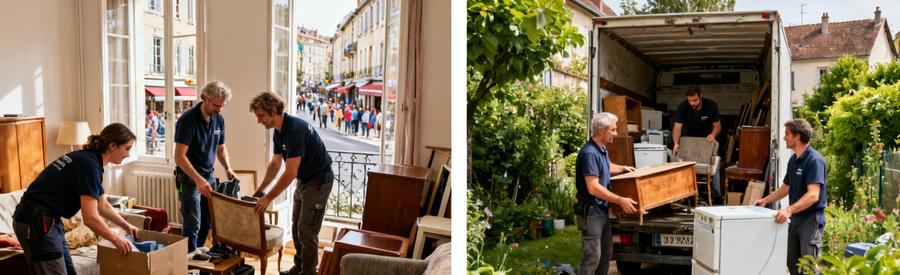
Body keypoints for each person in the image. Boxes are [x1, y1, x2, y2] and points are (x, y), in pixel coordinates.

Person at [13, 123, 140, 274]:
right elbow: (90, 218)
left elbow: (103, 205)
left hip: (47, 219)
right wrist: (116, 239)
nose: (128, 155)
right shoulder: (90, 166)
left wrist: (126, 226)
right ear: (112, 145)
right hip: (35, 221)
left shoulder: (88, 160)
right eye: (127, 149)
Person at [248, 92, 334, 275]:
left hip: (319, 181)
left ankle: (309, 272)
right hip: (304, 181)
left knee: (307, 230)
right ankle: (300, 267)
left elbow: (289, 173)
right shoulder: (279, 132)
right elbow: (275, 165)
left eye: (261, 116)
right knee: (296, 227)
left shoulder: (295, 130)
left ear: (272, 111)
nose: (258, 121)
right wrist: (260, 190)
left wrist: (268, 198)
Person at [755, 119, 826, 275]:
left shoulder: (814, 160)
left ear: (797, 137)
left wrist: (788, 210)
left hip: (810, 220)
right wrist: (765, 200)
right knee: (792, 265)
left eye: (787, 133)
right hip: (795, 220)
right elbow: (786, 188)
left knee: (807, 268)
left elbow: (814, 195)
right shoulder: (794, 160)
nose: (784, 137)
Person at [173, 80, 237, 252]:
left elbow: (221, 149)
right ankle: (187, 266)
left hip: (208, 178)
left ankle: (197, 258)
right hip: (188, 181)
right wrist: (198, 180)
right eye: (216, 105)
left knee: (207, 222)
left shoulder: (219, 120)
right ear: (204, 98)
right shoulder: (187, 121)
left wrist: (228, 168)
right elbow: (179, 156)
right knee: (192, 224)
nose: (219, 109)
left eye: (222, 105)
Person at [575, 112, 638, 275]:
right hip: (591, 212)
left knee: (605, 255)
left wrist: (623, 168)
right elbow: (593, 187)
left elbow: (606, 166)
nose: (616, 134)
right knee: (592, 256)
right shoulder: (590, 153)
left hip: (601, 210)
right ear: (601, 131)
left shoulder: (601, 149)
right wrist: (620, 200)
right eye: (613, 130)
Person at [672, 89, 722, 198]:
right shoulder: (683, 107)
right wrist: (676, 143)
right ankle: (685, 194)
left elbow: (718, 126)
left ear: (700, 96)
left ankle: (717, 195)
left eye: (695, 100)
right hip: (690, 141)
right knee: (685, 165)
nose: (692, 103)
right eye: (689, 100)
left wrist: (713, 134)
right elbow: (677, 128)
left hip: (707, 140)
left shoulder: (710, 105)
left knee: (716, 163)